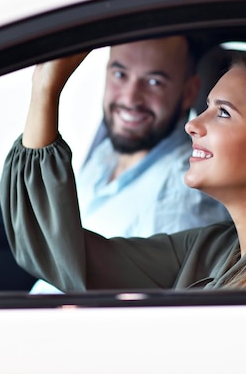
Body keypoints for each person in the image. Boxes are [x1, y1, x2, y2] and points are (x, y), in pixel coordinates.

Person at [0, 49, 246, 291]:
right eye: (207, 107)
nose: (193, 124)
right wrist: (45, 87)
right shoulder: (213, 248)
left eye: (223, 113)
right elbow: (62, 255)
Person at [29, 36, 230, 294]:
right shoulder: (108, 152)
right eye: (120, 74)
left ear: (189, 92)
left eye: (154, 82)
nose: (130, 98)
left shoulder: (182, 197)